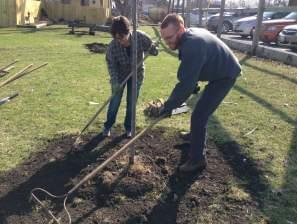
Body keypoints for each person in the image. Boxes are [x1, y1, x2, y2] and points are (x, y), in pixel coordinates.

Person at [157, 14, 241, 173]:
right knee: (198, 114)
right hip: (217, 70)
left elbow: (185, 84)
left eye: (170, 37)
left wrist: (168, 107)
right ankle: (195, 136)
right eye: (165, 39)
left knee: (199, 115)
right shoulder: (188, 37)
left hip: (225, 75)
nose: (168, 43)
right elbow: (193, 70)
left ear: (181, 29)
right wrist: (191, 84)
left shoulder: (192, 45)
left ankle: (197, 160)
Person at [103, 16, 158, 138]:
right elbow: (111, 65)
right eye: (116, 38)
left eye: (121, 37)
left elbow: (154, 50)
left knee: (131, 103)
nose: (119, 40)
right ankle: (108, 126)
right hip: (120, 76)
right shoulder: (113, 47)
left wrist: (153, 49)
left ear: (128, 32)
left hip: (137, 74)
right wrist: (115, 82)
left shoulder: (140, 37)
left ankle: (128, 127)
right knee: (115, 101)